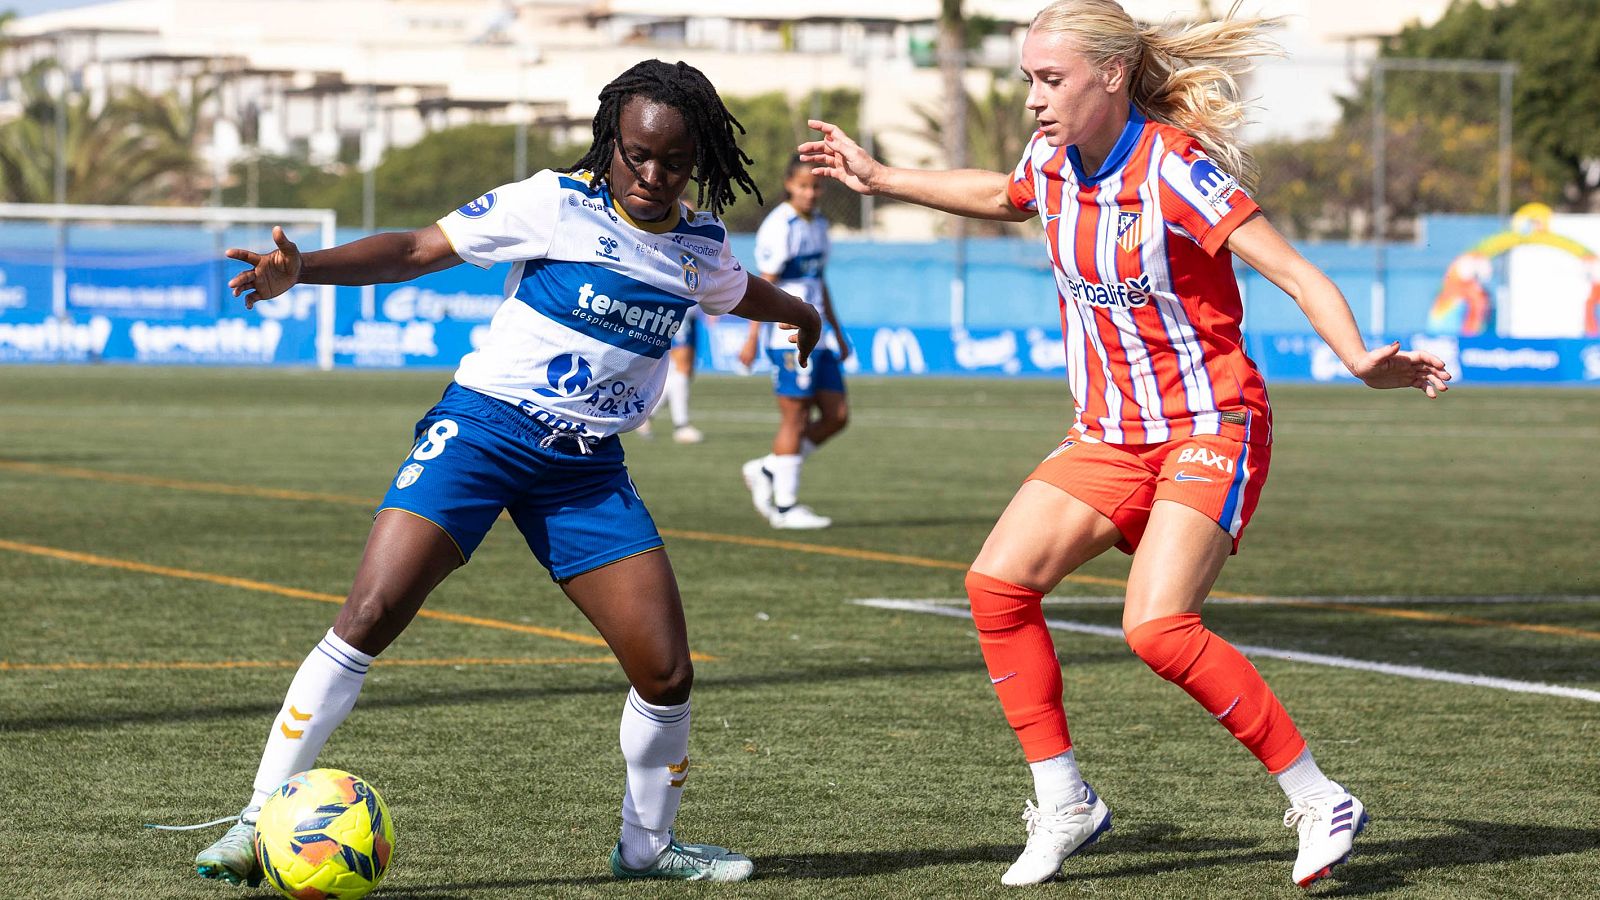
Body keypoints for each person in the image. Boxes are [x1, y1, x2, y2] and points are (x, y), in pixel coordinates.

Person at [800, 0, 1450, 888]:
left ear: (1111, 76)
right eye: (1029, 77)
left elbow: (1293, 270)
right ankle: (1065, 801)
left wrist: (1361, 359)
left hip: (1209, 424)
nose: (1033, 97)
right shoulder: (1053, 159)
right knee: (996, 586)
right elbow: (1001, 193)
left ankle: (1316, 795)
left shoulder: (1177, 171)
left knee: (1156, 627)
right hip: (1108, 433)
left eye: (1051, 78)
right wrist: (879, 177)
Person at [193, 59, 820, 887]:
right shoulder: (554, 202)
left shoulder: (701, 243)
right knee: (371, 612)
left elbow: (736, 293)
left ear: (698, 157)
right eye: (636, 154)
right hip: (484, 432)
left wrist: (802, 313)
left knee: (666, 672)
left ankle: (647, 847)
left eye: (673, 161)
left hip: (587, 471)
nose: (652, 175)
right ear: (613, 142)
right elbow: (418, 248)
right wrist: (303, 268)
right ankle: (251, 821)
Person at [738, 156, 850, 530]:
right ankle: (785, 506)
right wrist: (752, 337)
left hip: (818, 335)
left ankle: (769, 469)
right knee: (796, 416)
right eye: (803, 186)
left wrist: (837, 329)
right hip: (786, 335)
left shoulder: (819, 224)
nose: (810, 192)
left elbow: (821, 282)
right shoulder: (778, 227)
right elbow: (762, 288)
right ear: (789, 184)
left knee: (837, 416)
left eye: (816, 186)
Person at [636, 304, 707, 443]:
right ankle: (681, 426)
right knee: (682, 368)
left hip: (692, 309)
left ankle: (645, 416)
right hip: (681, 307)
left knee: (681, 371)